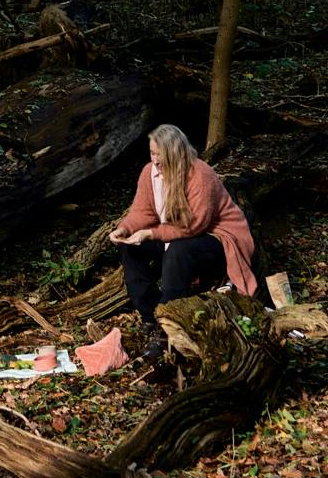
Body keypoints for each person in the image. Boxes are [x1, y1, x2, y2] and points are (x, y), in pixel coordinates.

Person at [107, 124, 259, 352]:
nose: (155, 160)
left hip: (216, 238)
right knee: (130, 249)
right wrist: (125, 229)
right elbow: (142, 211)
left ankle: (167, 327)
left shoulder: (200, 173)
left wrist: (151, 233)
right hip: (174, 233)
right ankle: (151, 315)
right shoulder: (150, 172)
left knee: (178, 252)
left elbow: (195, 224)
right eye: (152, 153)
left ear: (175, 152)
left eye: (160, 154)